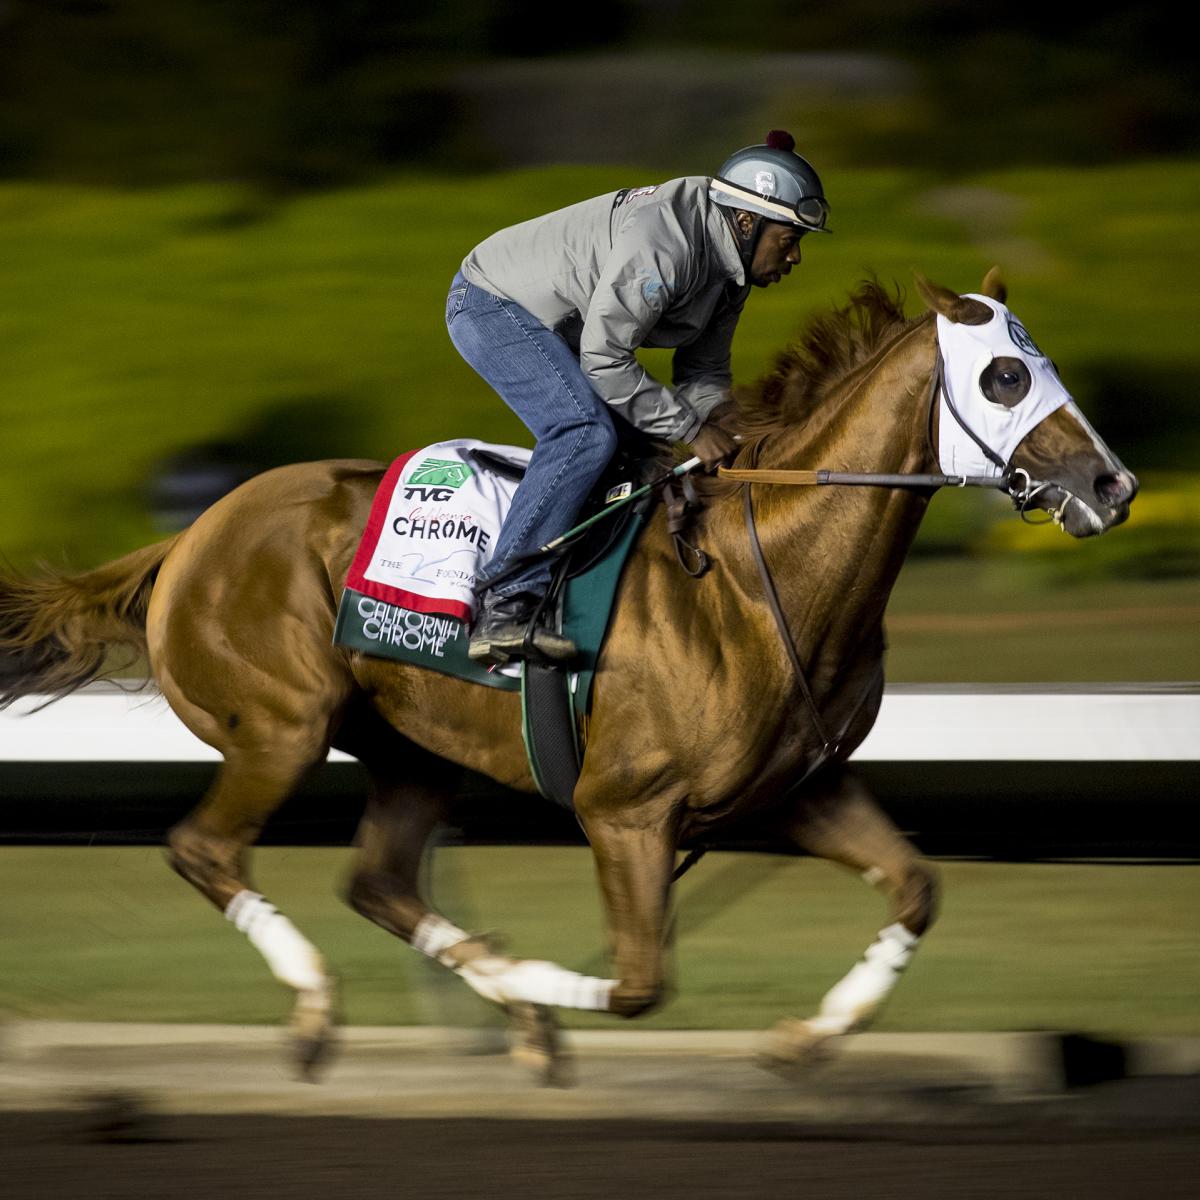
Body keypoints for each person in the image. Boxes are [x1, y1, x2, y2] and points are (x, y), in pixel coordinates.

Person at [445, 130, 830, 666]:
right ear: (747, 221)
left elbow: (702, 369)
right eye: (789, 240)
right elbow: (604, 360)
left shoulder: (732, 269)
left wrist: (722, 429)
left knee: (645, 453)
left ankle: (584, 590)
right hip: (491, 303)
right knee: (584, 433)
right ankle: (505, 602)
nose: (794, 258)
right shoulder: (666, 245)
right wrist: (694, 432)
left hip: (564, 325)